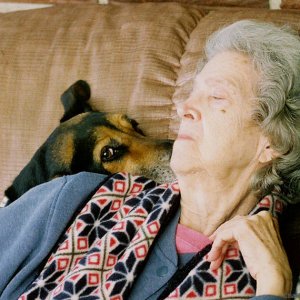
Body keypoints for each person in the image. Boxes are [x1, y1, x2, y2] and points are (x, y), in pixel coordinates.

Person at [0, 19, 299, 299]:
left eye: (216, 97)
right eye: (193, 92)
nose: (185, 108)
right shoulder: (77, 197)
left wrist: (274, 284)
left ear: (271, 140)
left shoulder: (278, 267)